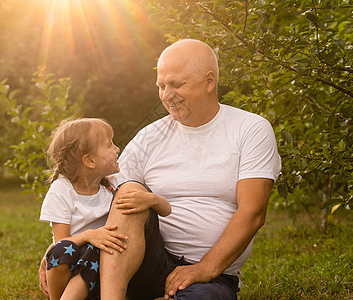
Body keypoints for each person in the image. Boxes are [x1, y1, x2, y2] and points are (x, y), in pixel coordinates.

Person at [40, 38, 281, 299]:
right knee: (130, 190)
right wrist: (62, 247)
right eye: (162, 86)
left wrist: (204, 268)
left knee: (206, 297)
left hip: (211, 273)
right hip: (144, 263)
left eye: (176, 84)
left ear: (210, 82)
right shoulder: (150, 137)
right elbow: (91, 183)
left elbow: (253, 211)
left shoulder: (250, 129)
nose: (167, 94)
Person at [39, 118, 171, 300]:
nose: (117, 149)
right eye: (109, 145)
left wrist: (151, 199)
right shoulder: (62, 190)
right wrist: (89, 236)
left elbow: (166, 210)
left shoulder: (113, 184)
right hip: (71, 267)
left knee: (97, 250)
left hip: (105, 269)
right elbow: (62, 243)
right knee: (69, 250)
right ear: (90, 160)